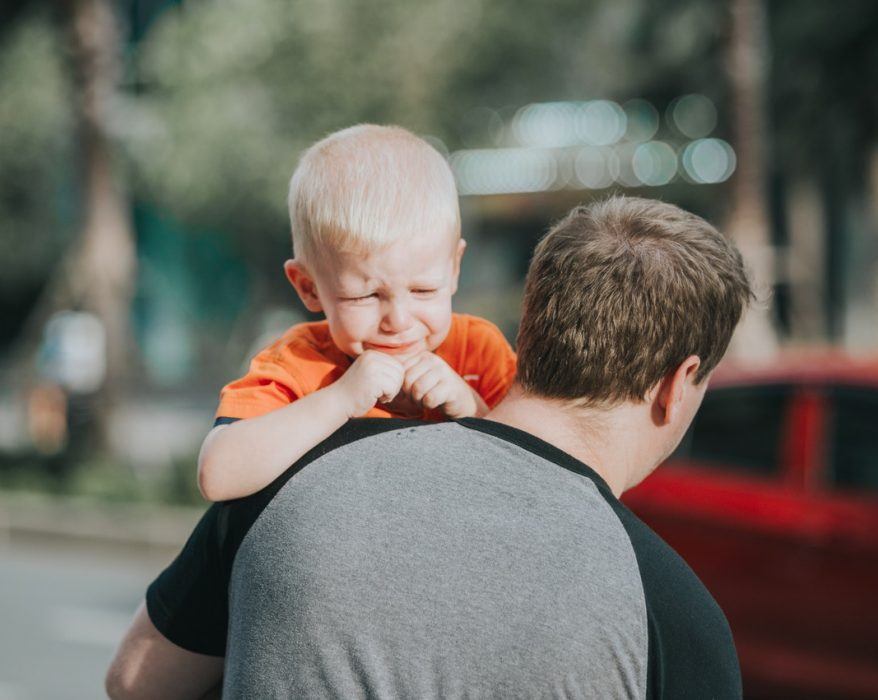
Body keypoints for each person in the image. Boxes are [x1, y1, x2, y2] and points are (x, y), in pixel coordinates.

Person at [107, 196, 752, 699]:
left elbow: (135, 682)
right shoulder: (675, 617)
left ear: (532, 327)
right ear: (676, 385)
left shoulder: (290, 476)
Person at [197, 124, 517, 502]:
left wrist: (472, 408)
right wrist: (339, 399)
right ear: (308, 287)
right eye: (365, 296)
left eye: (423, 290)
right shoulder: (299, 363)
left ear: (454, 270)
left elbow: (539, 476)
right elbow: (218, 476)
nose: (398, 321)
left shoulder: (478, 351)